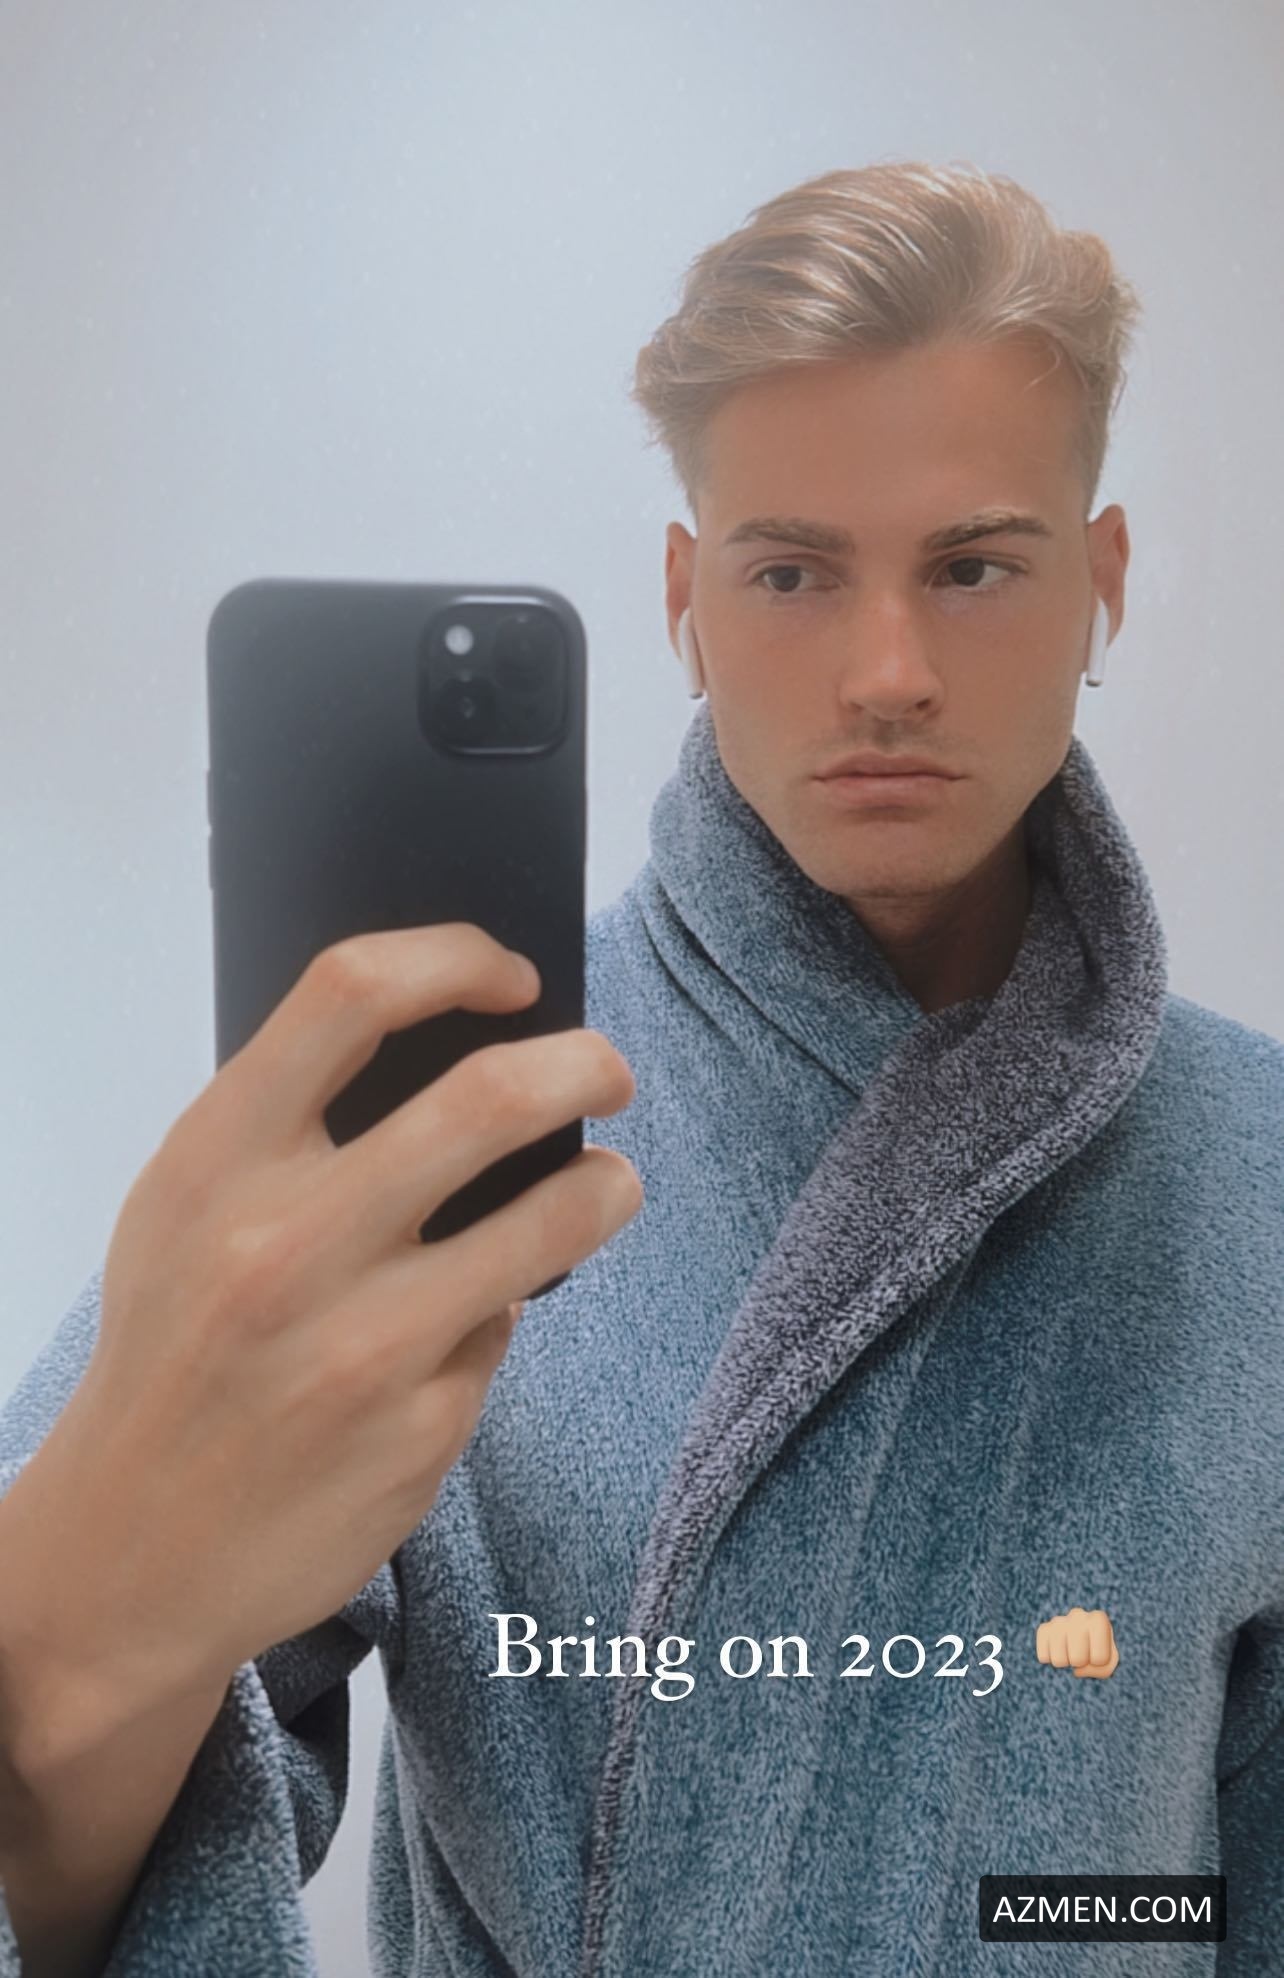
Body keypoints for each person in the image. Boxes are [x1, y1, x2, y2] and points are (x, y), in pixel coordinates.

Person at [2, 159, 1282, 1977]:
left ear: (1105, 584)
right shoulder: (457, 1106)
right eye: (793, 572)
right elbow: (67, 1763)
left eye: (975, 566)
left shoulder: (1259, 1170)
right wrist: (88, 1636)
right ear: (686, 598)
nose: (890, 671)